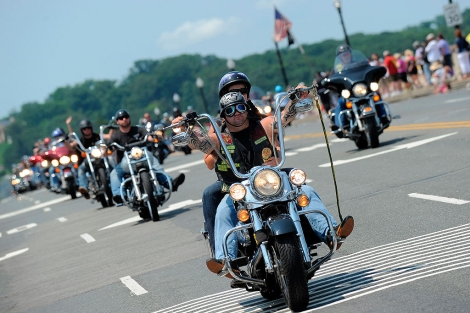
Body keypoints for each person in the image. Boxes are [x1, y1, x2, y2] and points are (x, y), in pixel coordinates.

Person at [172, 71, 354, 278]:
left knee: (307, 190)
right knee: (223, 211)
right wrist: (183, 131)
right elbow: (200, 143)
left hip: (270, 180)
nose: (236, 112)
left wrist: (295, 101)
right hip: (239, 187)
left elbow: (283, 118)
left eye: (241, 103)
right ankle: (226, 260)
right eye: (230, 109)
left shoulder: (263, 123)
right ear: (223, 112)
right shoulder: (217, 134)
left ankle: (331, 233)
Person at [108, 109, 185, 205]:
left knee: (155, 164)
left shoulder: (138, 129)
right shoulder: (115, 136)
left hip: (144, 157)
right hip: (126, 162)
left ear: (129, 118)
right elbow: (109, 147)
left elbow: (148, 136)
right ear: (117, 121)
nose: (124, 119)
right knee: (114, 174)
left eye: (126, 117)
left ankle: (170, 183)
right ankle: (119, 195)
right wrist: (110, 147)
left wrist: (155, 136)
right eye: (121, 118)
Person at [332, 45, 389, 130]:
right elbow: (331, 79)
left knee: (376, 95)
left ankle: (383, 116)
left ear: (350, 54)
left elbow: (369, 69)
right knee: (341, 102)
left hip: (361, 89)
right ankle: (340, 125)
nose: (346, 56)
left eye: (347, 54)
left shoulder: (360, 63)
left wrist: (377, 71)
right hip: (349, 93)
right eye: (343, 55)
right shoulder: (337, 69)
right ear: (340, 57)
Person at [66, 118, 107, 202]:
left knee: (110, 161)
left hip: (98, 158)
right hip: (87, 161)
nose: (87, 130)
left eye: (88, 128)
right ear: (82, 130)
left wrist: (104, 149)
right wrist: (65, 141)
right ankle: (83, 187)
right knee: (81, 169)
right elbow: (71, 144)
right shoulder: (80, 140)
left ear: (91, 128)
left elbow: (103, 145)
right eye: (84, 129)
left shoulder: (96, 137)